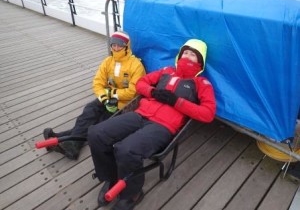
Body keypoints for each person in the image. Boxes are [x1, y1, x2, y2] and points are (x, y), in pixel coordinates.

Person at [87, 39, 216, 210]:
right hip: (140, 115)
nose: (188, 56)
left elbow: (208, 114)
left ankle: (132, 193)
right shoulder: (166, 71)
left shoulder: (202, 84)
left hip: (163, 126)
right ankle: (111, 177)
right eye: (185, 52)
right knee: (96, 133)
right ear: (179, 54)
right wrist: (152, 91)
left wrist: (177, 102)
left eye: (193, 54)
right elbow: (141, 83)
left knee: (126, 149)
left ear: (200, 61)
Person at [43, 31, 146, 160]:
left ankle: (59, 139)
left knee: (98, 124)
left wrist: (111, 95)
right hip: (106, 99)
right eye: (113, 45)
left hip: (124, 105)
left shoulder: (136, 65)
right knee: (88, 112)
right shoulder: (107, 62)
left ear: (126, 46)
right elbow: (98, 82)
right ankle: (69, 145)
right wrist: (104, 98)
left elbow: (133, 91)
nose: (116, 48)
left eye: (120, 45)